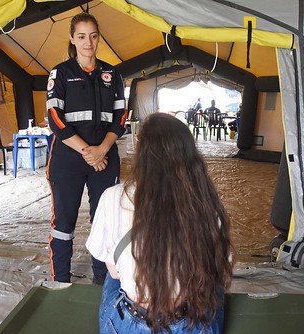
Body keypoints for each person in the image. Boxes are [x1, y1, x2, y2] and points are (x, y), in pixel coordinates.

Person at [86, 113, 233, 333]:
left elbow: (116, 273)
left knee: (112, 276)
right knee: (214, 286)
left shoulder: (112, 197)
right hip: (189, 322)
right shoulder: (205, 202)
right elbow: (219, 268)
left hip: (128, 324)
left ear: (142, 153)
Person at [45, 12, 127, 284]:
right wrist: (89, 153)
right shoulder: (60, 73)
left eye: (92, 36)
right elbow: (55, 119)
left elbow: (121, 117)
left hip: (104, 157)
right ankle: (61, 282)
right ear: (72, 38)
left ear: (98, 38)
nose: (88, 42)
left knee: (104, 220)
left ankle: (103, 281)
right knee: (64, 224)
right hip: (69, 160)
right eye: (81, 36)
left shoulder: (112, 74)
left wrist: (102, 149)